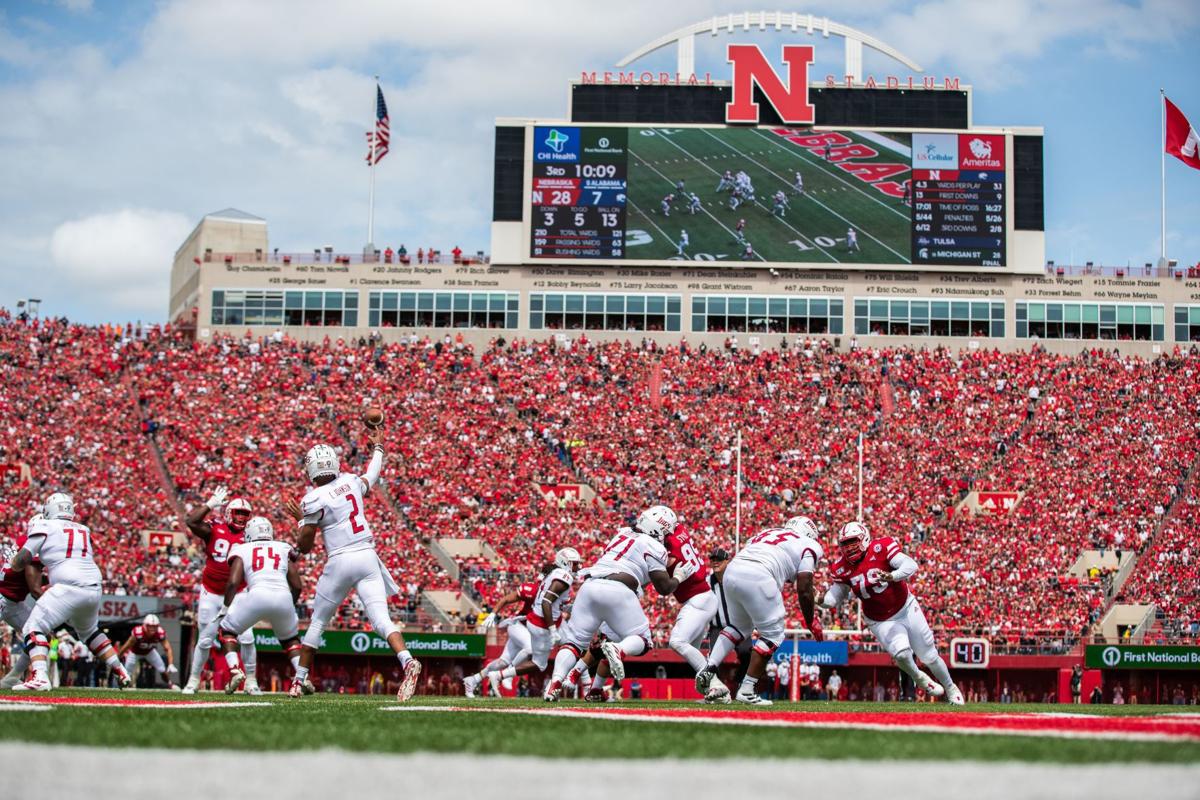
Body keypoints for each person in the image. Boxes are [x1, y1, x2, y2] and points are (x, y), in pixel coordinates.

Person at [283, 425, 422, 701]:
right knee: (381, 620)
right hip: (367, 555)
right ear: (334, 463)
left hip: (341, 560)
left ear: (311, 470)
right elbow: (372, 474)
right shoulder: (349, 480)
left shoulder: (312, 499)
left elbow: (305, 546)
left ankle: (298, 682)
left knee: (318, 621)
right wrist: (379, 447)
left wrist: (301, 520)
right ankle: (407, 660)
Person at [544, 505, 695, 701]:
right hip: (619, 591)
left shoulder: (621, 534)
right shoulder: (655, 546)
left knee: (574, 644)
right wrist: (679, 577)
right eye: (667, 532)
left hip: (590, 586)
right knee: (642, 641)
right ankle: (618, 650)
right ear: (658, 529)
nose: (667, 537)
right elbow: (664, 587)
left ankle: (555, 684)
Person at [821, 521, 963, 704]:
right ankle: (919, 678)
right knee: (902, 654)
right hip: (880, 619)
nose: (849, 547)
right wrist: (820, 600)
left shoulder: (882, 547)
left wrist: (892, 576)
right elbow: (834, 597)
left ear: (864, 538)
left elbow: (910, 565)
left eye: (852, 541)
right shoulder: (841, 567)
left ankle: (951, 688)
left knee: (929, 655)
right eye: (845, 544)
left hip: (905, 607)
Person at [10, 492, 131, 691]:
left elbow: (23, 559)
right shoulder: (84, 529)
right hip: (93, 587)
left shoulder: (45, 525)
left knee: (33, 627)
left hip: (68, 586)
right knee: (90, 632)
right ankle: (119, 669)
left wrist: (12, 565)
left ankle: (40, 676)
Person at [696, 517, 823, 705]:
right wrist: (811, 620)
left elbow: (783, 567)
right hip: (759, 574)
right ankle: (747, 690)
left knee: (738, 627)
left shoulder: (767, 533)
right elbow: (803, 587)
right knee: (773, 635)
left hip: (732, 572)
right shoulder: (809, 544)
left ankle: (709, 667)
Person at [181, 487, 259, 694]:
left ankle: (251, 681)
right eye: (238, 513)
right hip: (211, 592)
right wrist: (210, 504)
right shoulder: (214, 528)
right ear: (228, 513)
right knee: (205, 639)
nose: (242, 518)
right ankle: (194, 680)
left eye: (245, 514)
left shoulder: (252, 535)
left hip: (239, 594)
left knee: (248, 637)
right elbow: (191, 522)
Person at [216, 517, 304, 694]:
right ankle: (303, 678)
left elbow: (233, 582)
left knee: (227, 632)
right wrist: (289, 604)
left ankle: (235, 670)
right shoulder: (283, 547)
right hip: (283, 596)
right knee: (290, 640)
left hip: (257, 594)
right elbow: (297, 585)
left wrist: (225, 609)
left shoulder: (241, 548)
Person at [664, 524, 722, 699]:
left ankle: (716, 684)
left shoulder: (668, 550)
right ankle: (716, 692)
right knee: (693, 652)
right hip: (704, 597)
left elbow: (663, 586)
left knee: (677, 641)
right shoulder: (680, 531)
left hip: (697, 599)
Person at [462, 575, 540, 697]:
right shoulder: (534, 589)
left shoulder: (555, 594)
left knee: (501, 662)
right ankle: (507, 676)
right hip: (518, 626)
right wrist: (493, 614)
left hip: (529, 632)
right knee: (530, 648)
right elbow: (506, 599)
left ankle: (473, 680)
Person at [0, 519, 41, 689]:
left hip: (11, 601)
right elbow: (34, 588)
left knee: (38, 634)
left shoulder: (24, 541)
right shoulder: (33, 547)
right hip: (6, 599)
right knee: (39, 634)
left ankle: (11, 678)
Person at [118, 614, 179, 689]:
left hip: (149, 652)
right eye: (150, 626)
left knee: (162, 669)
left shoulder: (160, 633)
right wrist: (118, 657)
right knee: (127, 672)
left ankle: (170, 684)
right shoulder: (138, 632)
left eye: (155, 626)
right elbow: (127, 646)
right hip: (135, 653)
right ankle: (123, 686)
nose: (152, 629)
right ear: (145, 625)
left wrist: (171, 664)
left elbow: (167, 648)